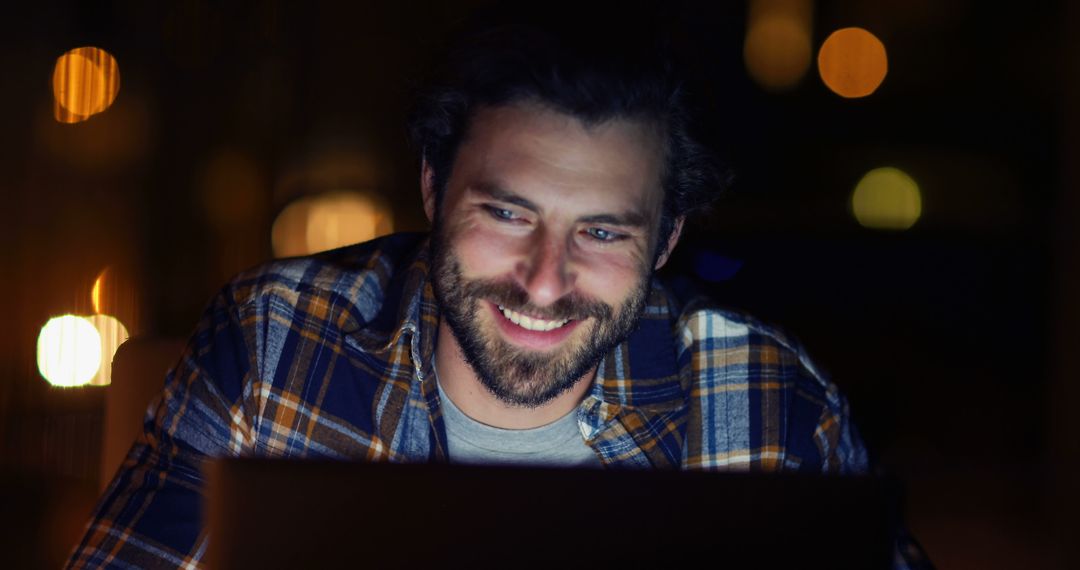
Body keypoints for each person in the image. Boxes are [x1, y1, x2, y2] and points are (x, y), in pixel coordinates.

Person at [68, 6, 928, 569]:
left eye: (601, 232)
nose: (545, 281)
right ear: (435, 190)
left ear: (665, 239)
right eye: (510, 215)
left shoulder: (771, 400)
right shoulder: (275, 341)